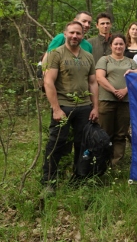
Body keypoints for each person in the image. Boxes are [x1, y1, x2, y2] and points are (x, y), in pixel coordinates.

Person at [41, 21, 99, 194]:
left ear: (83, 36)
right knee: (57, 143)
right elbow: (48, 81)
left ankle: (79, 177)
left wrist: (95, 107)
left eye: (78, 33)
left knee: (83, 144)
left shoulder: (88, 56)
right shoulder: (55, 54)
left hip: (84, 107)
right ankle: (49, 181)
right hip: (63, 106)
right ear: (65, 33)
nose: (75, 36)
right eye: (72, 33)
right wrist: (56, 109)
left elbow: (93, 82)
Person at [96, 34, 137, 166]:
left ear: (125, 46)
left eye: (121, 44)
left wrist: (125, 90)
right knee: (105, 132)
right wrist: (114, 91)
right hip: (106, 100)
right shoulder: (105, 60)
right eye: (116, 44)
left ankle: (116, 163)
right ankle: (102, 162)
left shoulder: (131, 62)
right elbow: (100, 78)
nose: (118, 46)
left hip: (125, 102)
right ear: (111, 46)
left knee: (121, 134)